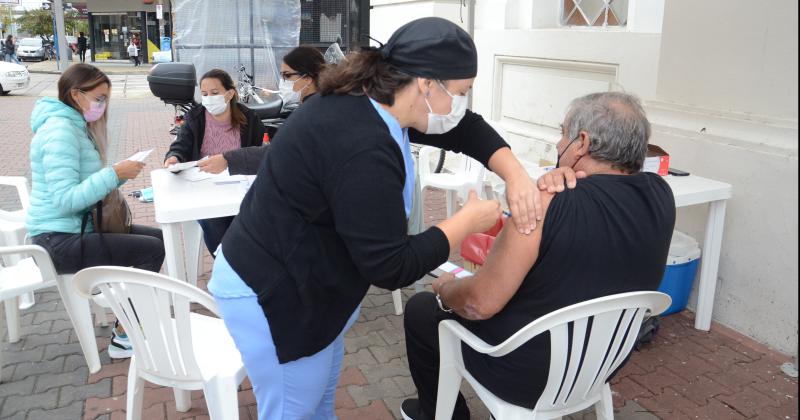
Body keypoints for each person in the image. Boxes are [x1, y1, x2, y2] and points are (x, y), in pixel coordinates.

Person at [208, 17, 555, 419]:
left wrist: (515, 174)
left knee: (317, 404)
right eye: (460, 93)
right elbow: (390, 265)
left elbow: (465, 130)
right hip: (274, 295)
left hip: (310, 289)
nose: (460, 105)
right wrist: (465, 222)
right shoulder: (362, 144)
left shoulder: (375, 103)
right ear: (426, 84)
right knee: (291, 410)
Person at [400, 91, 677, 420]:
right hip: (600, 364)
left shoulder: (545, 204)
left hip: (524, 371)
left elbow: (478, 303)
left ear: (582, 143)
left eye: (563, 134)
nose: (558, 145)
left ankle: (442, 414)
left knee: (421, 310)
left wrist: (445, 289)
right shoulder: (662, 195)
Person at [27, 63, 165, 359]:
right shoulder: (59, 131)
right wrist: (114, 173)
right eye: (99, 98)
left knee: (158, 240)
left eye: (105, 99)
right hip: (57, 239)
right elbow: (66, 199)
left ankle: (124, 307)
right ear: (76, 95)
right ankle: (125, 336)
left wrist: (122, 172)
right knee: (149, 251)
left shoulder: (74, 126)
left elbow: (85, 184)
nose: (103, 105)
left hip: (78, 229)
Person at [163, 69, 266, 255]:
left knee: (248, 219)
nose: (209, 98)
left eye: (215, 93)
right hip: (204, 189)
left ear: (230, 93)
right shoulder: (195, 118)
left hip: (238, 188)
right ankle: (227, 265)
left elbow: (256, 154)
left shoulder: (250, 119)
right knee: (215, 221)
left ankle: (241, 265)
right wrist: (174, 157)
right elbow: (181, 145)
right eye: (204, 94)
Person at [198, 45, 326, 176]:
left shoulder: (316, 113)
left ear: (308, 79)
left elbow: (283, 152)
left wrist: (228, 160)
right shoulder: (197, 116)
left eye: (287, 76)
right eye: (204, 94)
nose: (283, 82)